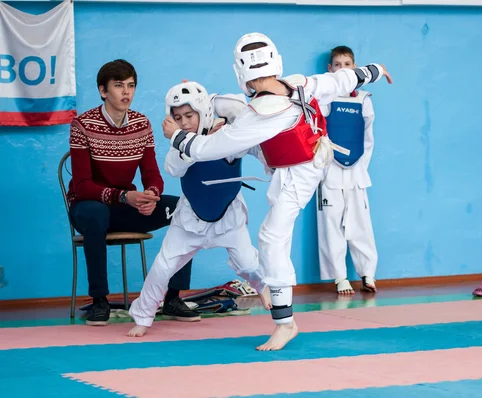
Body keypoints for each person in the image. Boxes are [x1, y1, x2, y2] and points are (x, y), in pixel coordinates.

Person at [164, 32, 393, 351]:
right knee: (235, 110)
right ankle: (279, 309)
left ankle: (285, 322)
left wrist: (176, 137)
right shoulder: (299, 82)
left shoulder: (262, 115)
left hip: (300, 173)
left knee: (272, 237)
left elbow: (207, 148)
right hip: (305, 157)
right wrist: (375, 70)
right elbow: (342, 80)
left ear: (241, 71)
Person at [127, 81, 271, 337]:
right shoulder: (178, 146)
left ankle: (262, 286)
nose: (183, 122)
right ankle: (143, 315)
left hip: (228, 217)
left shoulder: (226, 136)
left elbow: (253, 144)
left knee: (249, 263)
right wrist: (183, 140)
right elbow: (174, 168)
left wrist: (270, 159)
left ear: (204, 112)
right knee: (162, 267)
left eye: (189, 115)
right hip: (190, 220)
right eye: (177, 117)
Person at [67, 59, 196, 326]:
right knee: (96, 213)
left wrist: (151, 195)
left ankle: (172, 298)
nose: (126, 92)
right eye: (118, 86)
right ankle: (100, 301)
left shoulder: (141, 124)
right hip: (87, 207)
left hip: (126, 206)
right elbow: (82, 185)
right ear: (103, 91)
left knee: (186, 208)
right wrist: (125, 197)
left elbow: (151, 174)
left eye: (131, 85)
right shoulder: (82, 125)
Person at [316, 46, 378, 296]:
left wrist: (360, 169)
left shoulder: (364, 99)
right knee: (331, 224)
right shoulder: (323, 99)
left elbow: (368, 140)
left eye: (348, 64)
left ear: (356, 68)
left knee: (361, 223)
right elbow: (318, 134)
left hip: (356, 173)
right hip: (329, 171)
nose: (343, 69)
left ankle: (368, 273)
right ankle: (339, 277)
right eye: (337, 65)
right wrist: (321, 168)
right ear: (330, 70)